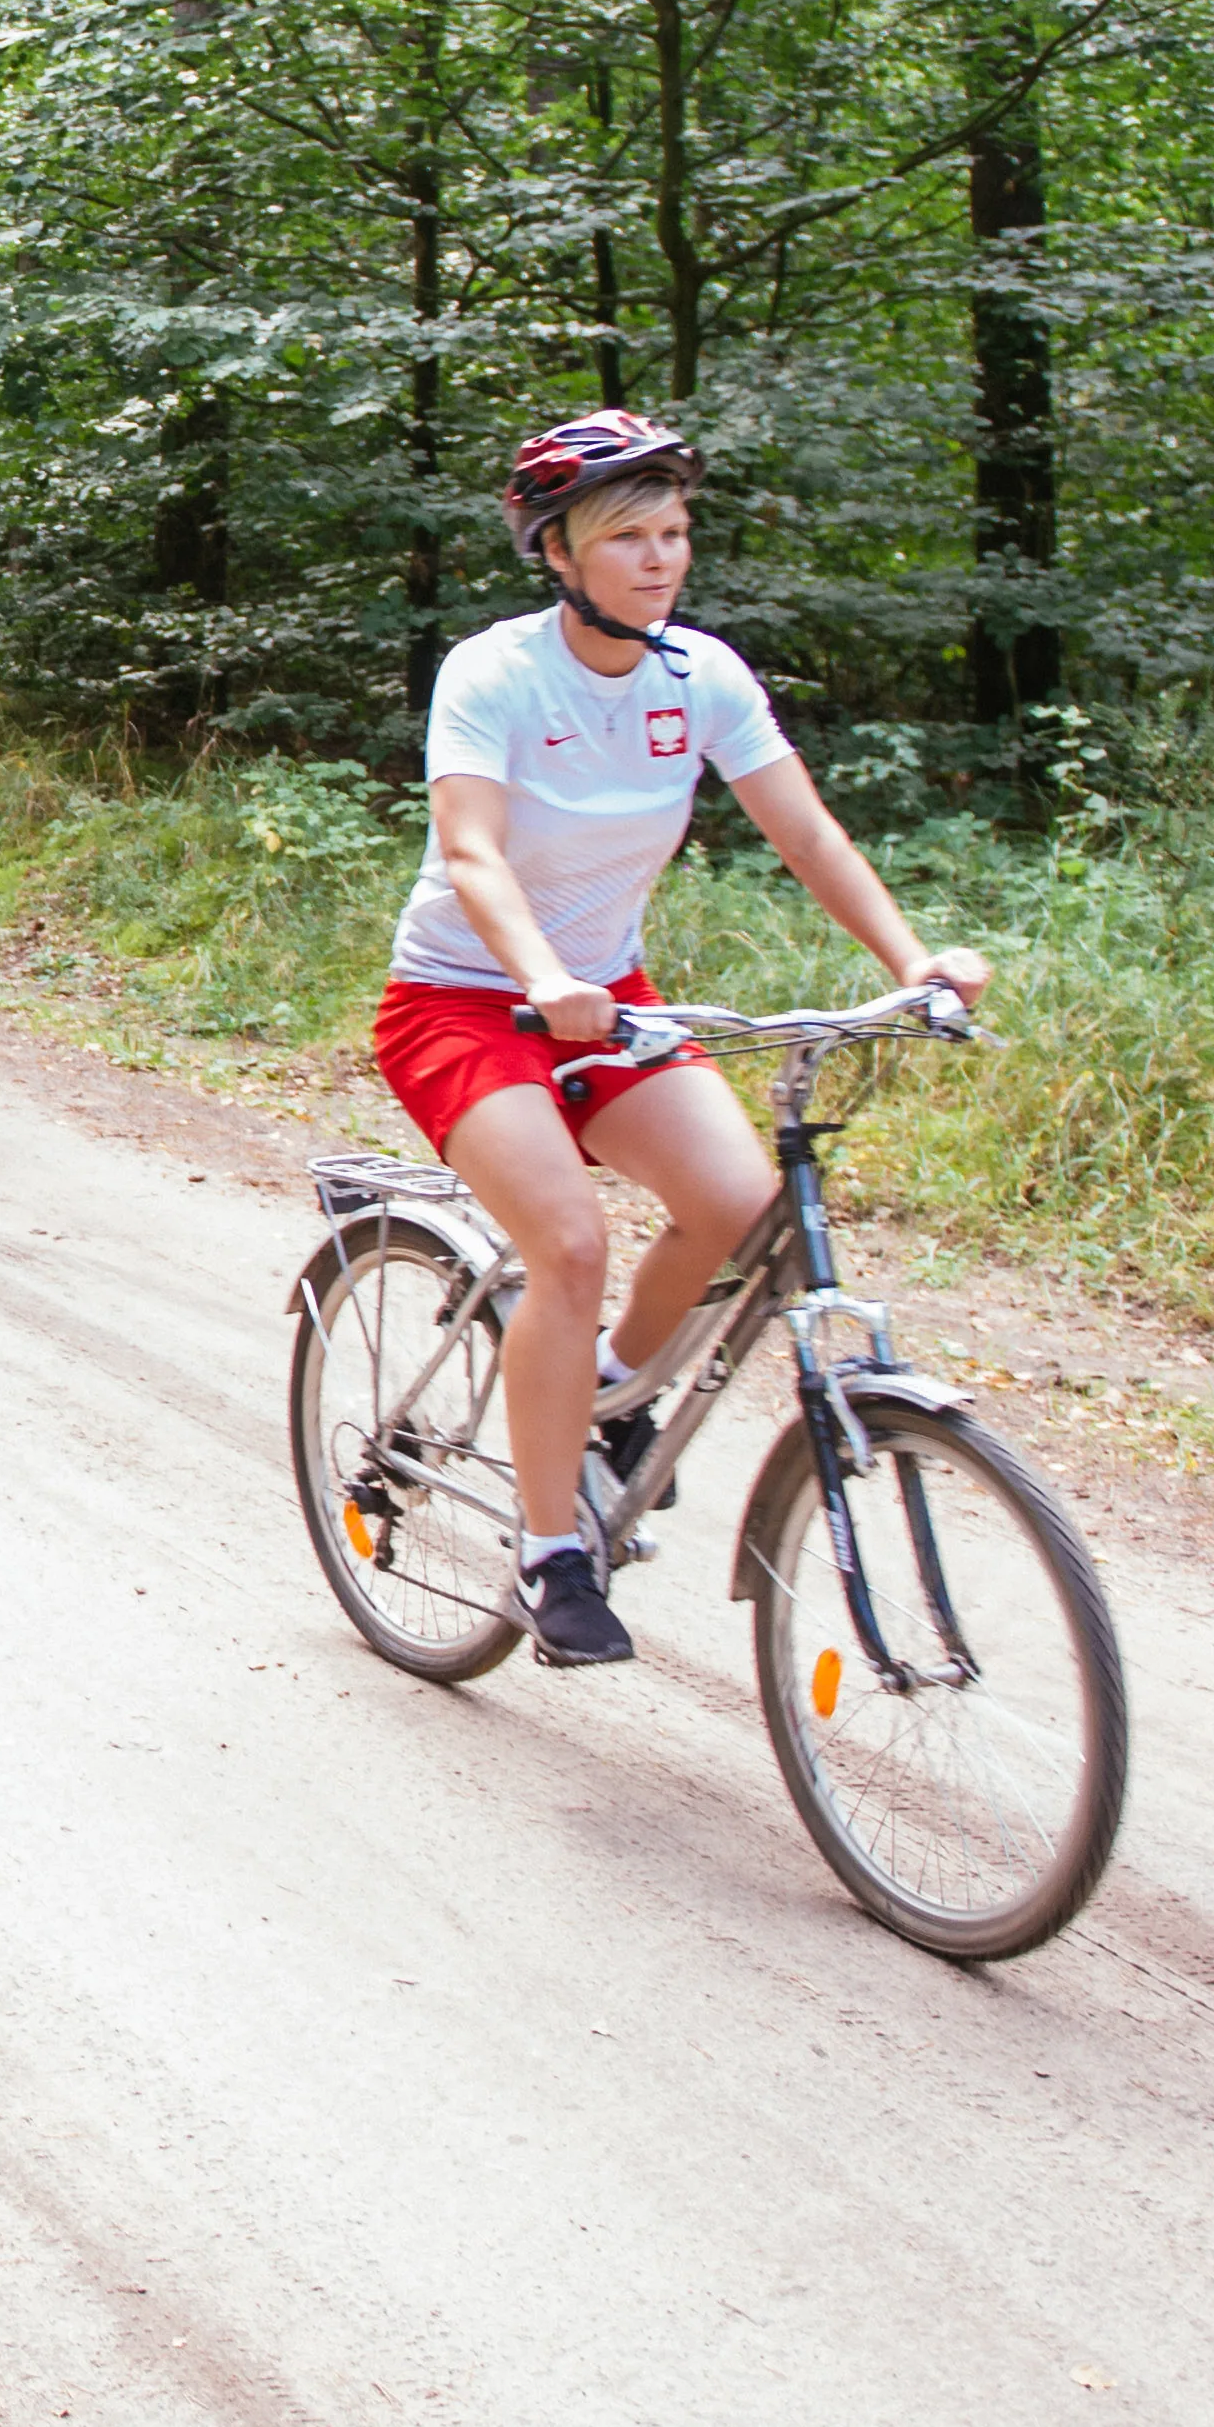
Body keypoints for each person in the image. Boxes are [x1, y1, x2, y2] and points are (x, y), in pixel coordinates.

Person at [375, 409, 991, 1671]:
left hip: (608, 996)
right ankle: (551, 1554)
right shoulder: (494, 672)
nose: (661, 559)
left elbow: (807, 833)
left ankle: (606, 1396)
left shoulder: (699, 674)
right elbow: (472, 850)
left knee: (742, 1205)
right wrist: (540, 971)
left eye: (675, 532)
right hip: (462, 998)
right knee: (570, 1238)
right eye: (629, 536)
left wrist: (912, 961)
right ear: (559, 551)